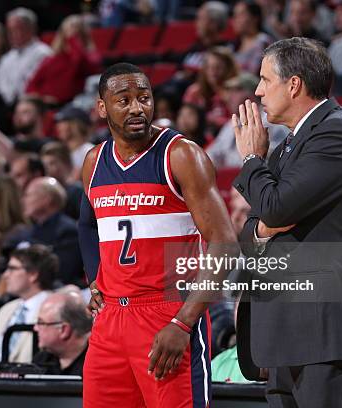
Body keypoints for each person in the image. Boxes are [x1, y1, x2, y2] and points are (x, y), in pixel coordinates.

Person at [231, 37, 342, 406]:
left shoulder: (336, 133)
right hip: (285, 334)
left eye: (266, 80)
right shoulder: (288, 146)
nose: (258, 91)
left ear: (293, 84)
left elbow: (276, 208)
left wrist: (252, 160)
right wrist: (264, 226)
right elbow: (252, 232)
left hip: (325, 332)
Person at [79, 63, 237, 407]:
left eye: (144, 98)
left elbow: (225, 244)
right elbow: (87, 225)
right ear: (102, 108)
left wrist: (183, 323)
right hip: (111, 321)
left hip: (167, 311)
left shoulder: (181, 154)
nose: (137, 108)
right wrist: (94, 279)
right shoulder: (94, 161)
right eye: (124, 100)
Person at [0, 245, 57, 363]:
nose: (5, 275)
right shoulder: (6, 310)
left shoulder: (55, 309)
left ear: (33, 275)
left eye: (12, 268)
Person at [0, 7, 52, 106]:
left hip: (29, 105)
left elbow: (31, 85)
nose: (11, 35)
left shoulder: (43, 53)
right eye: (9, 30)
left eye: (16, 29)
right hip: (3, 106)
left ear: (31, 29)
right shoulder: (7, 57)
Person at [32, 292, 91, 376]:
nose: (35, 328)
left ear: (64, 330)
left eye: (41, 323)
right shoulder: (42, 359)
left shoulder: (95, 364)